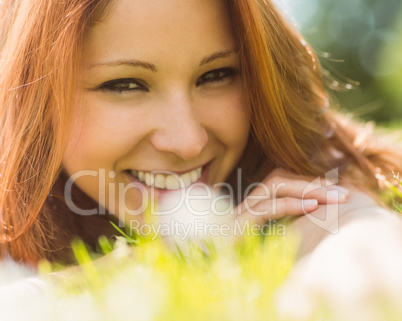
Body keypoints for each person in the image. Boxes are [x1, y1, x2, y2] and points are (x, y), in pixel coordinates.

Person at [0, 0, 401, 269]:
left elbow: (355, 231)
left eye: (216, 75)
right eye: (124, 85)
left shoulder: (291, 169)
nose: (187, 141)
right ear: (31, 93)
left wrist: (360, 229)